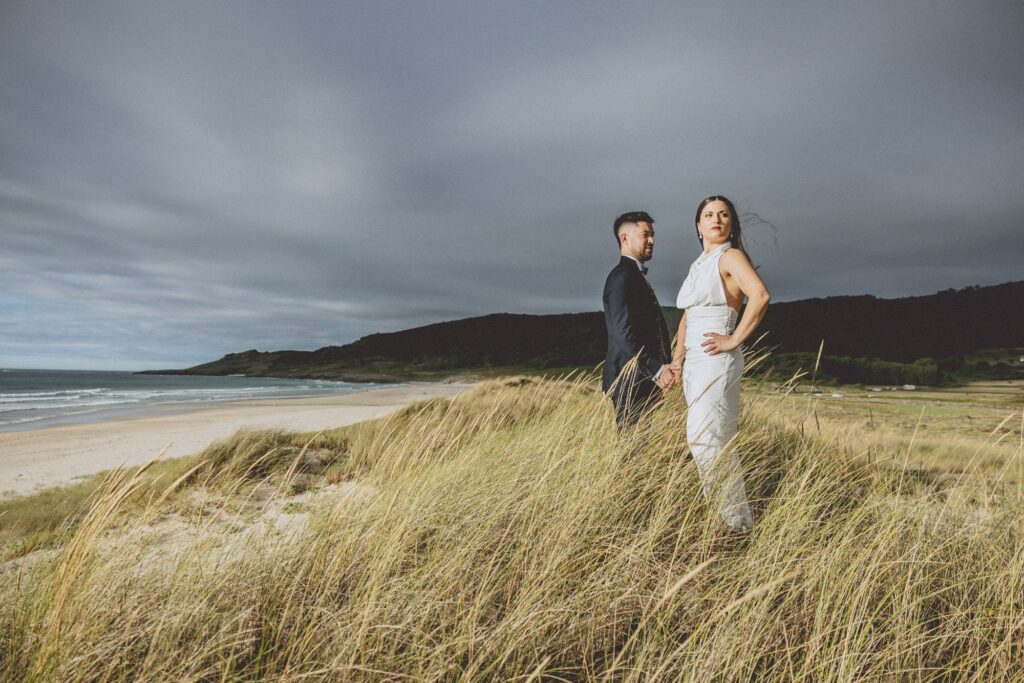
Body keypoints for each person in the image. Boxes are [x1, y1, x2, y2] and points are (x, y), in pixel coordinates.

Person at [672, 196, 770, 532]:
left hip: (716, 359)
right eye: (709, 215)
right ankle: (735, 520)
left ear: (731, 224)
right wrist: (677, 361)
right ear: (698, 226)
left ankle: (732, 524)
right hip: (695, 362)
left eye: (724, 214)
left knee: (705, 438)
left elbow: (760, 296)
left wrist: (733, 339)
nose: (716, 219)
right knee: (712, 439)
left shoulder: (730, 255)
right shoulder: (699, 263)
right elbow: (688, 316)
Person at [602, 211, 678, 429]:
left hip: (642, 381)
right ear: (625, 238)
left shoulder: (634, 276)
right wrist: (656, 369)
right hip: (629, 381)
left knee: (642, 453)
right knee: (633, 454)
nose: (652, 240)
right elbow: (622, 333)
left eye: (653, 235)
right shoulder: (621, 278)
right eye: (646, 234)